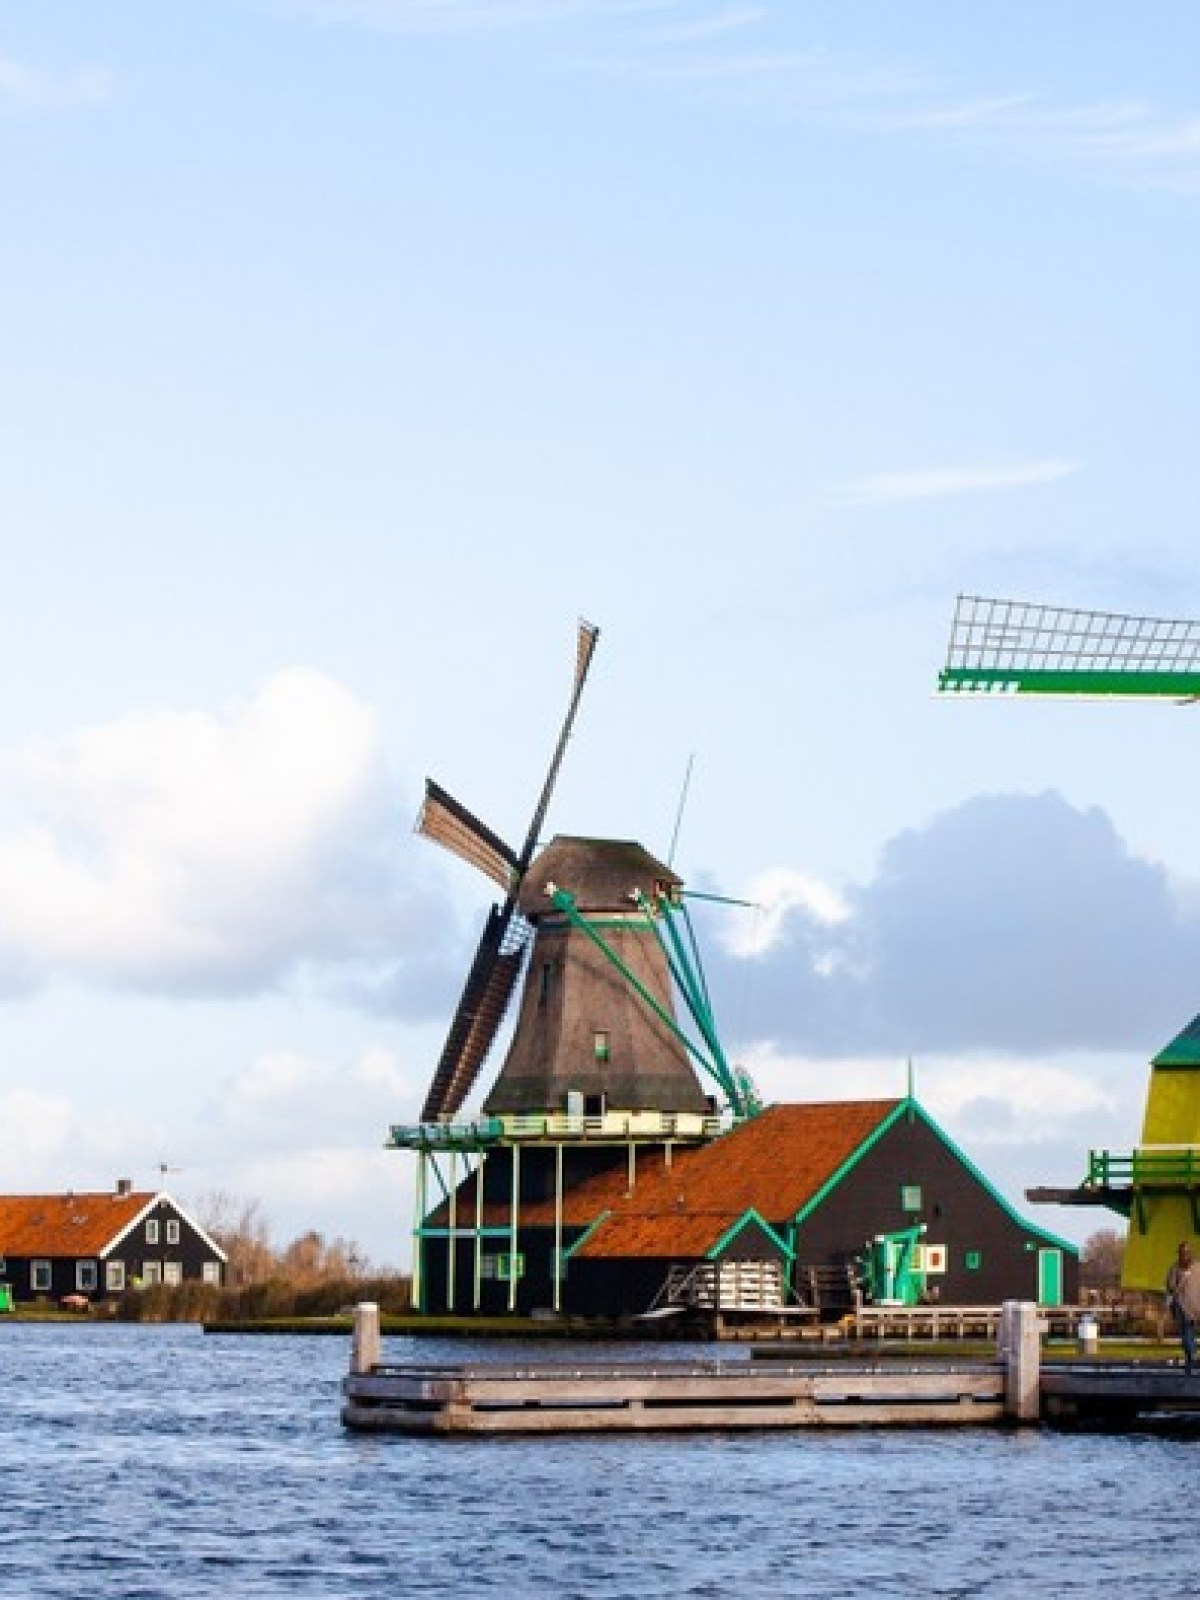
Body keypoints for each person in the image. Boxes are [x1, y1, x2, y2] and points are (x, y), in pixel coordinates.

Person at [1166, 1240, 1200, 1373]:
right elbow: (1171, 1288)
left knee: (1187, 1333)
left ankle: (1191, 1358)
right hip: (1189, 1306)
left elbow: (1171, 1288)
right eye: (1184, 1252)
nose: (1185, 1255)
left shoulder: (1176, 1268)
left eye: (1186, 1252)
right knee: (1187, 1333)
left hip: (1185, 1306)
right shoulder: (1178, 1268)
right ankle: (1192, 1357)